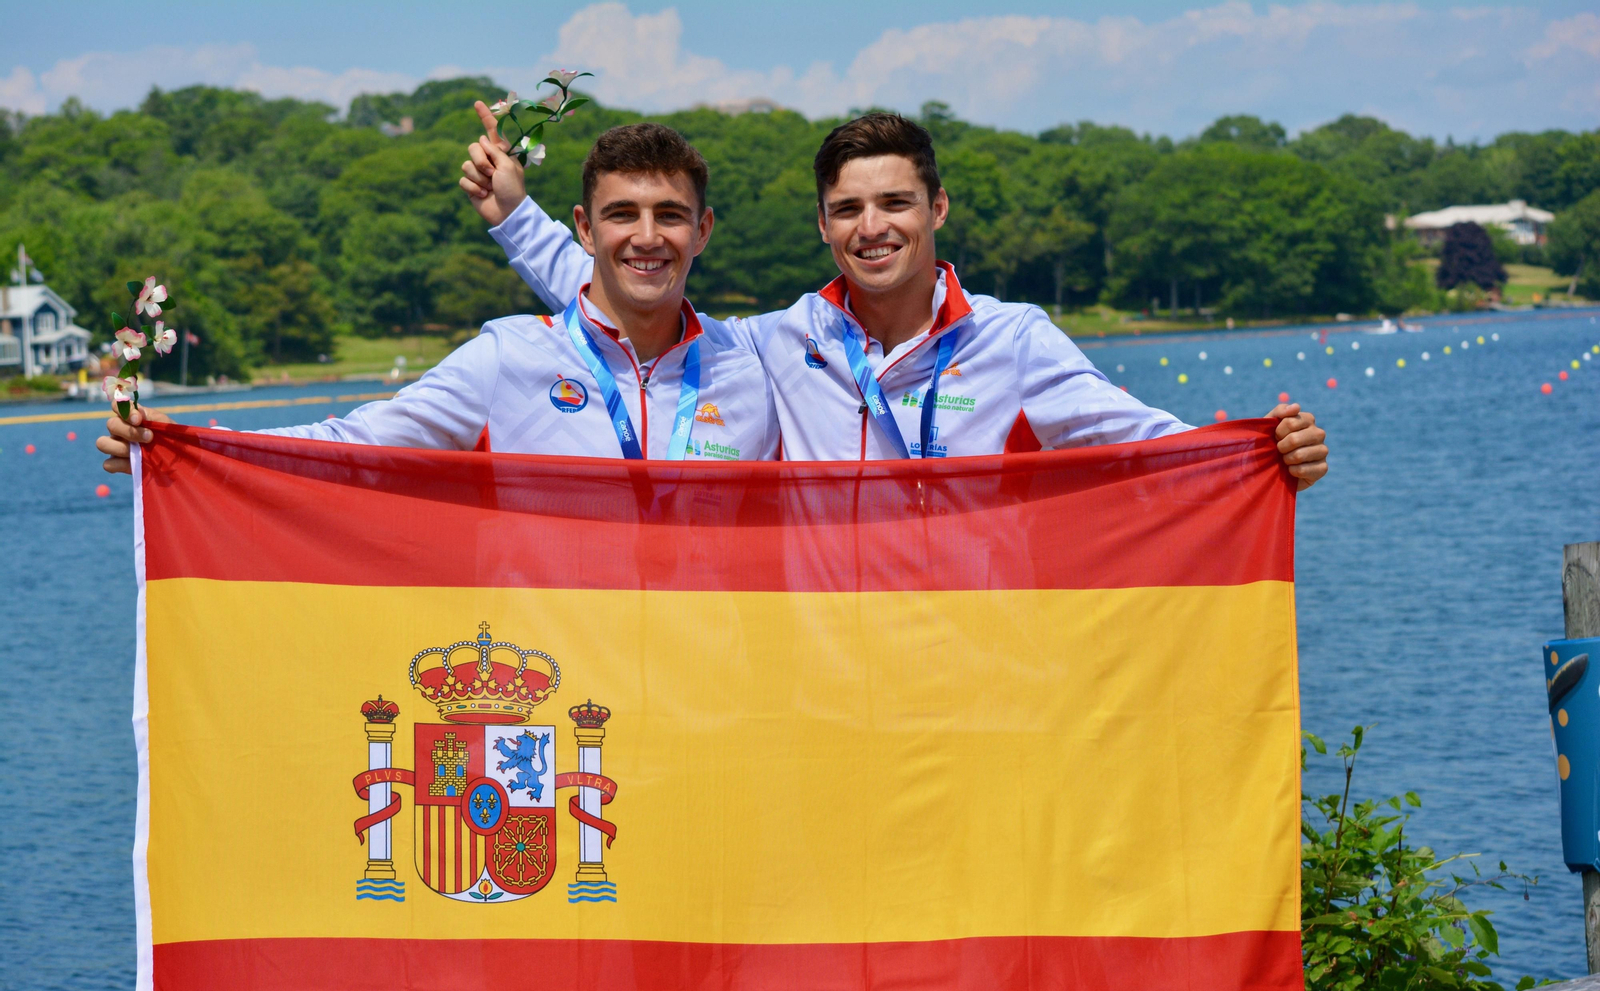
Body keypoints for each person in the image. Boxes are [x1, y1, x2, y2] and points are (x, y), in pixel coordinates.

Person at [462, 109, 1328, 483]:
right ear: (824, 226)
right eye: (848, 210)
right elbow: (635, 283)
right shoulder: (771, 344)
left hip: (973, 653)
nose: (872, 227)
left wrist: (1251, 452)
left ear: (937, 208)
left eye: (895, 203)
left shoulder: (1016, 341)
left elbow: (1134, 440)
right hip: (815, 668)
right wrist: (515, 217)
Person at [97, 124, 779, 473]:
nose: (647, 236)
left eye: (670, 215)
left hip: (703, 686)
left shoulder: (751, 369)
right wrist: (186, 449)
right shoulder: (507, 359)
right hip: (560, 691)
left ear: (703, 230)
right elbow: (351, 445)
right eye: (623, 214)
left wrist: (514, 218)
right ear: (584, 227)